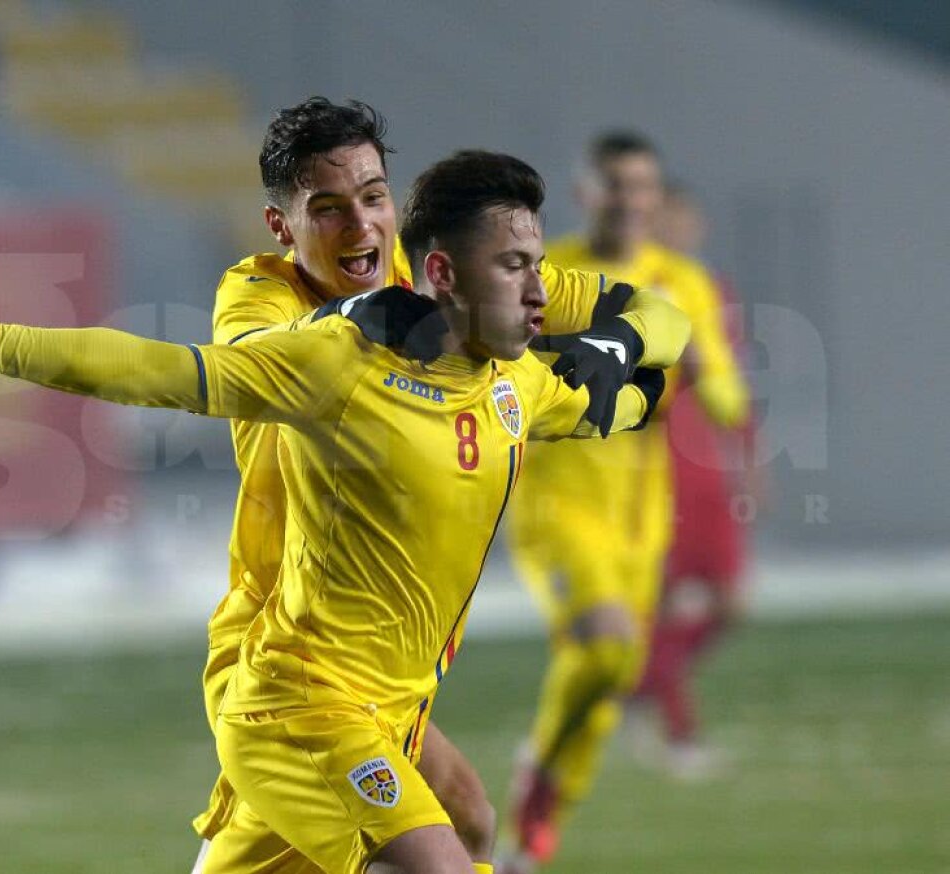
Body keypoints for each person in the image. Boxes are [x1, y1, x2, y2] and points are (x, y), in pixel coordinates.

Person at [0, 149, 686, 873]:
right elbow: (155, 371)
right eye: (515, 267)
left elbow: (659, 338)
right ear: (440, 273)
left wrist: (619, 346)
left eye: (537, 266)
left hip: (393, 708)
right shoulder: (333, 360)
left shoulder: (517, 383)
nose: (540, 291)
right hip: (300, 702)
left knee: (469, 821)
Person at [196, 98, 692, 873]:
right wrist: (365, 315)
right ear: (281, 226)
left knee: (462, 819)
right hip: (284, 646)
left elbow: (664, 314)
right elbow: (258, 361)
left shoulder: (438, 277)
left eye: (372, 196)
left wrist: (619, 341)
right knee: (431, 842)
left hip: (384, 663)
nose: (360, 225)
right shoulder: (260, 294)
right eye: (327, 209)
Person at [500, 132, 748, 870]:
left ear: (655, 197)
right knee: (607, 647)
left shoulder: (683, 282)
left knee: (602, 692)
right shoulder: (550, 275)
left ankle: (531, 832)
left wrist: (702, 370)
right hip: (558, 505)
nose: (629, 200)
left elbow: (730, 398)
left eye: (641, 187)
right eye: (614, 185)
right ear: (586, 193)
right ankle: (538, 785)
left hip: (643, 521)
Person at [630, 183, 757, 778]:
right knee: (659, 604)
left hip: (707, 469)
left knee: (732, 602)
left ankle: (640, 687)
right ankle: (680, 735)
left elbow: (728, 384)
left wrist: (747, 453)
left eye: (682, 220)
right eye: (663, 222)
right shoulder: (628, 294)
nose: (675, 231)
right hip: (652, 470)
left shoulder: (711, 293)